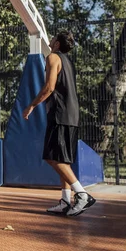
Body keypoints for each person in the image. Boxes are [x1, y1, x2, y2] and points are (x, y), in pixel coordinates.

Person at [23, 31, 95, 217]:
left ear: (56, 44)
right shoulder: (68, 61)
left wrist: (31, 105)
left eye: (53, 38)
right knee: (62, 159)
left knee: (51, 157)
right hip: (72, 114)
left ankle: (82, 194)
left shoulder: (53, 57)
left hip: (60, 114)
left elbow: (49, 87)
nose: (50, 40)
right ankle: (65, 201)